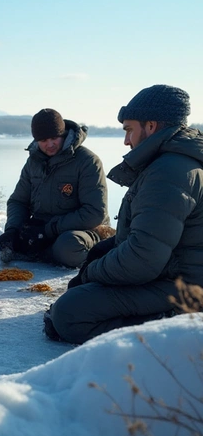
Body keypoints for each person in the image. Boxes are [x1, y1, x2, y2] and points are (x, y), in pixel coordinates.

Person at [46, 84, 203, 344]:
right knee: (83, 294)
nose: (126, 140)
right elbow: (148, 240)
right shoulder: (170, 163)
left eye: (129, 129)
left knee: (70, 313)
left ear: (151, 126)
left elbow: (142, 260)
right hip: (172, 274)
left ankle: (172, 324)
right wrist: (103, 251)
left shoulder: (169, 172)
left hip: (185, 289)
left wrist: (90, 272)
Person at [0, 108, 111, 268]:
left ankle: (41, 252)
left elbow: (95, 213)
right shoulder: (33, 163)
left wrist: (49, 230)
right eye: (43, 140)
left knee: (68, 247)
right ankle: (38, 250)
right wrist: (13, 230)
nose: (50, 144)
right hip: (41, 231)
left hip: (81, 230)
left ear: (63, 134)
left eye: (54, 138)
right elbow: (18, 201)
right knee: (16, 239)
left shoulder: (88, 162)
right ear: (36, 140)